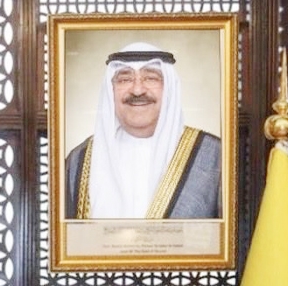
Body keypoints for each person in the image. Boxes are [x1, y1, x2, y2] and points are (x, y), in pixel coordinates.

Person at [65, 43, 222, 220]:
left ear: (169, 88)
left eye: (151, 78)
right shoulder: (79, 160)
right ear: (111, 91)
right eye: (124, 80)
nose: (137, 90)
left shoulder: (215, 156)